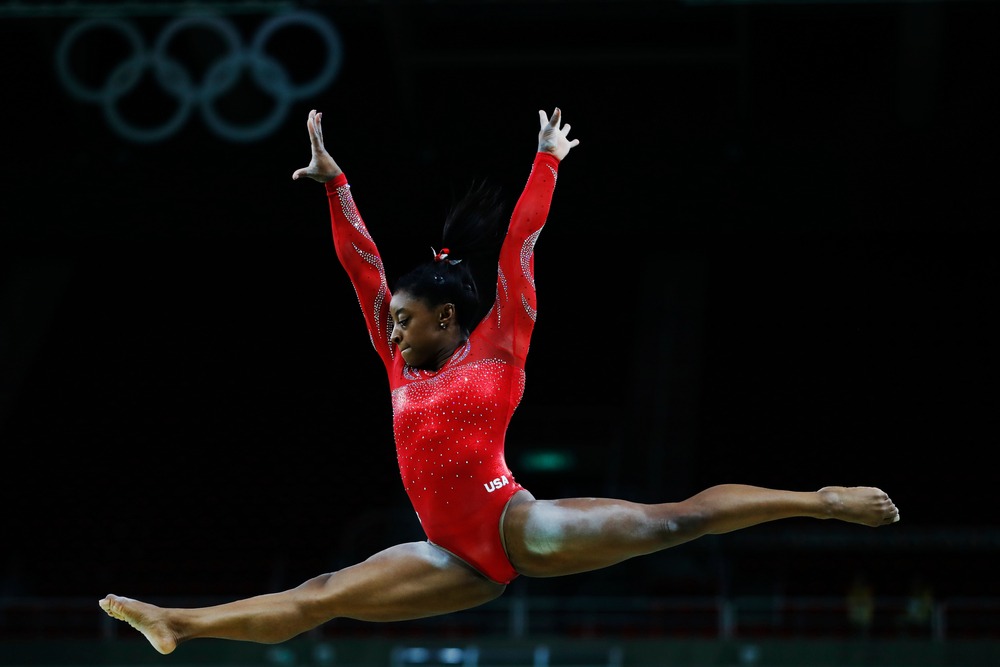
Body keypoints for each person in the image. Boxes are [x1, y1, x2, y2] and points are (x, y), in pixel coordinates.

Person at [99, 106, 900, 655]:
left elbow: (521, 241)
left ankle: (819, 498)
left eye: (406, 320)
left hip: (515, 525)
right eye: (392, 321)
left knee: (670, 522)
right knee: (323, 592)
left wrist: (546, 161)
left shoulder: (499, 346)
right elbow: (362, 268)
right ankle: (178, 623)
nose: (393, 328)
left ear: (447, 317)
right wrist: (338, 187)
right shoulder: (396, 358)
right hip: (450, 559)